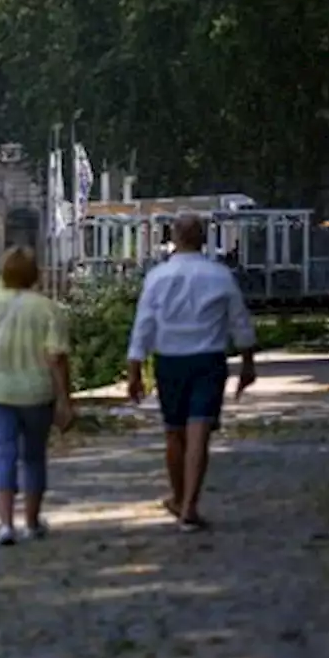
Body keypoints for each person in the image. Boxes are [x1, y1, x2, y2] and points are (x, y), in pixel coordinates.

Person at [126, 213, 257, 533]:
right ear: (203, 239)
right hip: (208, 360)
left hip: (170, 360)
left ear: (174, 237)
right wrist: (247, 362)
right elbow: (239, 321)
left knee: (174, 432)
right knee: (199, 434)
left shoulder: (157, 277)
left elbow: (144, 324)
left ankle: (179, 495)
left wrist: (134, 369)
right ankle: (189, 506)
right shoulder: (220, 276)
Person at [0, 246, 75, 546]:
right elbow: (57, 357)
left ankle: (5, 525)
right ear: (34, 274)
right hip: (36, 391)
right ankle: (31, 522)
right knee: (33, 457)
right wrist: (65, 399)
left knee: (3, 454)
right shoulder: (47, 308)